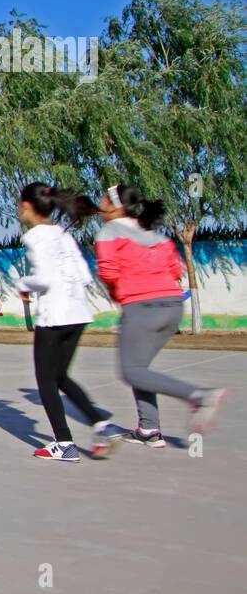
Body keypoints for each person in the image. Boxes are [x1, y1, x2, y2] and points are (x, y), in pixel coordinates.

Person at [96, 183, 226, 446]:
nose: (100, 205)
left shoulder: (109, 232)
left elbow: (108, 272)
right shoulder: (155, 235)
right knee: (140, 369)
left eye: (103, 201)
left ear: (115, 206)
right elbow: (176, 270)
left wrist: (118, 291)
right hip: (172, 306)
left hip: (142, 306)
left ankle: (199, 396)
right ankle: (149, 430)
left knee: (132, 371)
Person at [16, 183, 127, 461]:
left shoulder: (36, 237)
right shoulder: (63, 236)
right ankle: (102, 423)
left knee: (46, 381)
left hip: (54, 316)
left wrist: (23, 284)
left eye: (20, 205)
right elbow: (85, 276)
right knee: (61, 376)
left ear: (28, 206)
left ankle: (63, 443)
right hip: (78, 314)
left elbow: (44, 278)